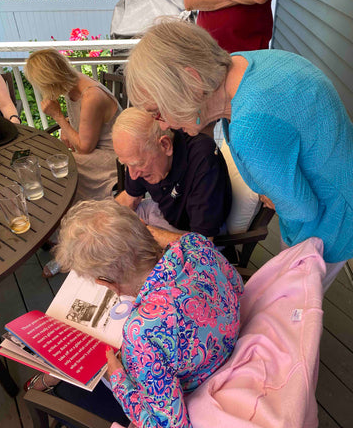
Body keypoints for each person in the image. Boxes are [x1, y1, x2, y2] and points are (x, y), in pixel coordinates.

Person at [124, 20, 353, 292]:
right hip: (339, 183)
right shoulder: (242, 63)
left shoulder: (250, 129)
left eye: (159, 111)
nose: (163, 125)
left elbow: (303, 209)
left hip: (330, 225)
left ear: (192, 82)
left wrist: (278, 195)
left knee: (294, 309)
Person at [25, 199, 243, 428]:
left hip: (198, 382)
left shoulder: (142, 333)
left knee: (72, 381)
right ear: (142, 228)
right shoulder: (196, 245)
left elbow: (170, 425)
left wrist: (118, 378)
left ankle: (49, 380)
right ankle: (49, 379)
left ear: (105, 282)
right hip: (226, 343)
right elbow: (237, 286)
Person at [113, 107, 232, 248]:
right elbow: (129, 198)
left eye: (137, 164)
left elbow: (202, 244)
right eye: (127, 165)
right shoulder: (142, 155)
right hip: (165, 214)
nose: (132, 175)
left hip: (198, 234)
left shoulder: (203, 160)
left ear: (165, 145)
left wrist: (143, 232)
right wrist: (104, 219)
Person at [25, 49, 120, 202]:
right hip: (95, 150)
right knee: (54, 164)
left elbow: (84, 148)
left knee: (60, 170)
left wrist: (58, 116)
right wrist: (67, 125)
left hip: (115, 158)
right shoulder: (72, 83)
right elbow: (84, 117)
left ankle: (76, 211)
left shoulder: (91, 96)